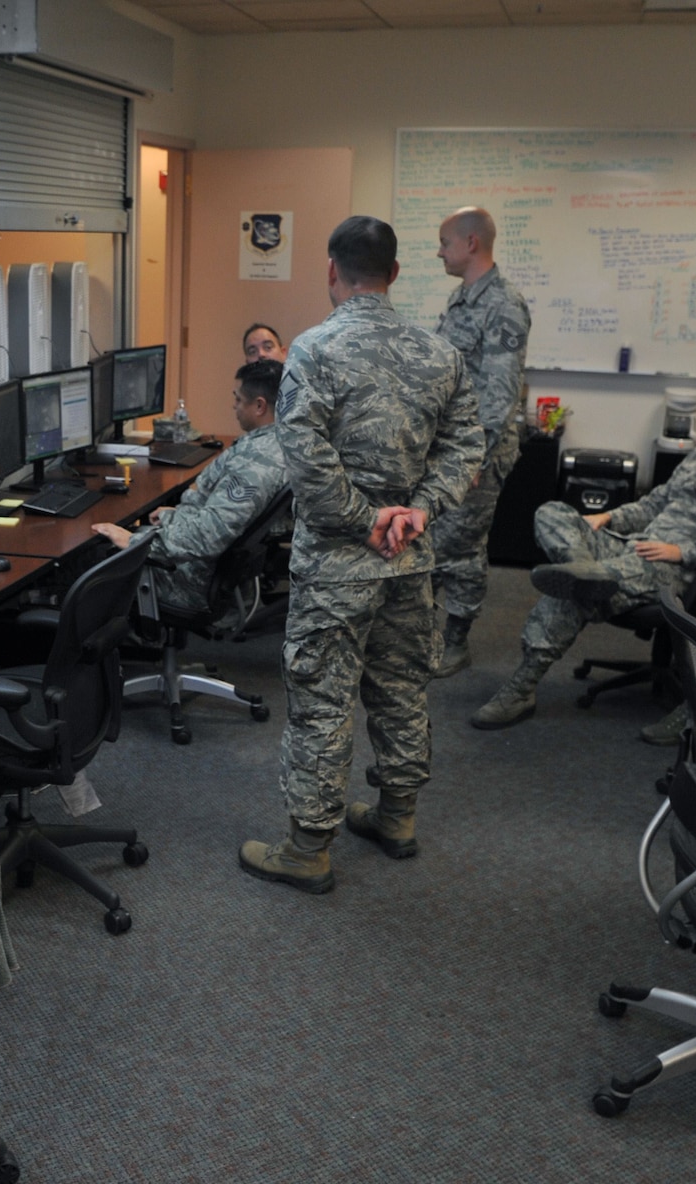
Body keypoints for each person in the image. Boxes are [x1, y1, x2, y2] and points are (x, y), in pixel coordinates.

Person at [237, 215, 481, 892]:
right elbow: (468, 448)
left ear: (330, 270)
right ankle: (397, 817)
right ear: (396, 273)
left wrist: (360, 518)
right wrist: (419, 509)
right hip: (410, 555)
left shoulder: (312, 351)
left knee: (324, 697)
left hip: (339, 563)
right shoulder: (440, 353)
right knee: (402, 687)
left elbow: (304, 457)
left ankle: (307, 849)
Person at [471, 387, 696, 731]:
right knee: (553, 512)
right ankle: (586, 570)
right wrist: (609, 518)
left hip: (679, 568)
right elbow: (653, 504)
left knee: (574, 593)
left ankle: (521, 688)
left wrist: (682, 552)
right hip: (634, 545)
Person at [423, 206, 533, 678]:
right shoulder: (461, 298)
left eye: (445, 242)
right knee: (432, 542)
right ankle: (426, 636)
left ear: (471, 244)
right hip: (448, 445)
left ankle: (456, 642)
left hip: (478, 453)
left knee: (461, 546)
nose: (440, 251)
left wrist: (475, 460)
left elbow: (500, 394)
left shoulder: (504, 304)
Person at [92, 359, 287, 614]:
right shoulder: (281, 442)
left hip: (187, 580)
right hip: (203, 567)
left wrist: (134, 541)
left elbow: (209, 536)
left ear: (259, 406)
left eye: (238, 399)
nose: (234, 405)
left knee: (90, 558)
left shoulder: (256, 465)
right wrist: (172, 517)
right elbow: (221, 517)